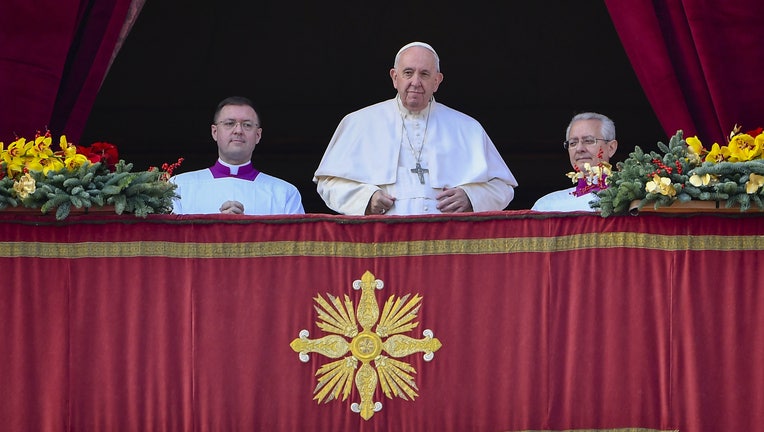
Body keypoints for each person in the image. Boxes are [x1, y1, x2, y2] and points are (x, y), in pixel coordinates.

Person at [313, 41, 518, 216]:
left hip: (447, 241)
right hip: (382, 240)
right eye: (408, 73)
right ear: (395, 77)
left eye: (425, 74)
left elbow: (503, 187)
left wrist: (472, 197)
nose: (415, 82)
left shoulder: (467, 127)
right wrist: (366, 199)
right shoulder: (359, 122)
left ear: (437, 81)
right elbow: (328, 182)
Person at [170, 96, 305, 215]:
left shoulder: (284, 193)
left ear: (258, 135)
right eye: (229, 123)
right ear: (215, 132)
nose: (238, 130)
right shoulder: (179, 187)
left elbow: (296, 243)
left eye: (247, 125)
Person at [531, 112, 618, 212]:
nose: (579, 148)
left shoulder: (631, 200)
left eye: (589, 141)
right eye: (573, 143)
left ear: (611, 148)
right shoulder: (546, 206)